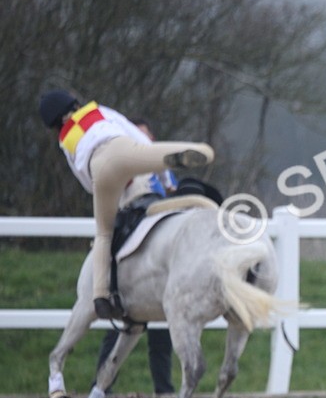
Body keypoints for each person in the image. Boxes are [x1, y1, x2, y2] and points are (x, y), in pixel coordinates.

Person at [38, 90, 214, 320]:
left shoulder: (66, 139)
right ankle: (195, 154)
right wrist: (164, 182)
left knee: (103, 234)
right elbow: (136, 136)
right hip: (124, 150)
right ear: (74, 104)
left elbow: (84, 178)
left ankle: (100, 297)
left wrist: (106, 187)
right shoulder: (97, 112)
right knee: (184, 152)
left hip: (100, 168)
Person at [92, 118, 177, 396]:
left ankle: (163, 391)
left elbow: (172, 195)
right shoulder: (121, 168)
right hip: (130, 245)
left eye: (146, 137)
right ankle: (101, 388)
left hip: (155, 249)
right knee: (119, 319)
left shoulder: (159, 168)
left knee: (163, 329)